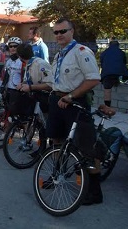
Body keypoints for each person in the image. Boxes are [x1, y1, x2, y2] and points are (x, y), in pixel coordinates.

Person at [46, 17, 101, 205]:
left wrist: (70, 96)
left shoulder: (81, 52)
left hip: (74, 103)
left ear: (72, 31)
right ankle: (56, 176)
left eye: (63, 31)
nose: (59, 35)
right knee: (56, 140)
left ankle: (94, 191)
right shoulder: (59, 54)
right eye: (56, 32)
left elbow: (93, 79)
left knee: (85, 148)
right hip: (57, 100)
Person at [100, 38, 128, 107]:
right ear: (118, 45)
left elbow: (101, 63)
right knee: (116, 74)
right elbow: (124, 62)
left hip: (107, 74)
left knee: (107, 91)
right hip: (119, 72)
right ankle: (117, 81)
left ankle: (107, 107)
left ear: (109, 45)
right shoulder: (121, 52)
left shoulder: (104, 52)